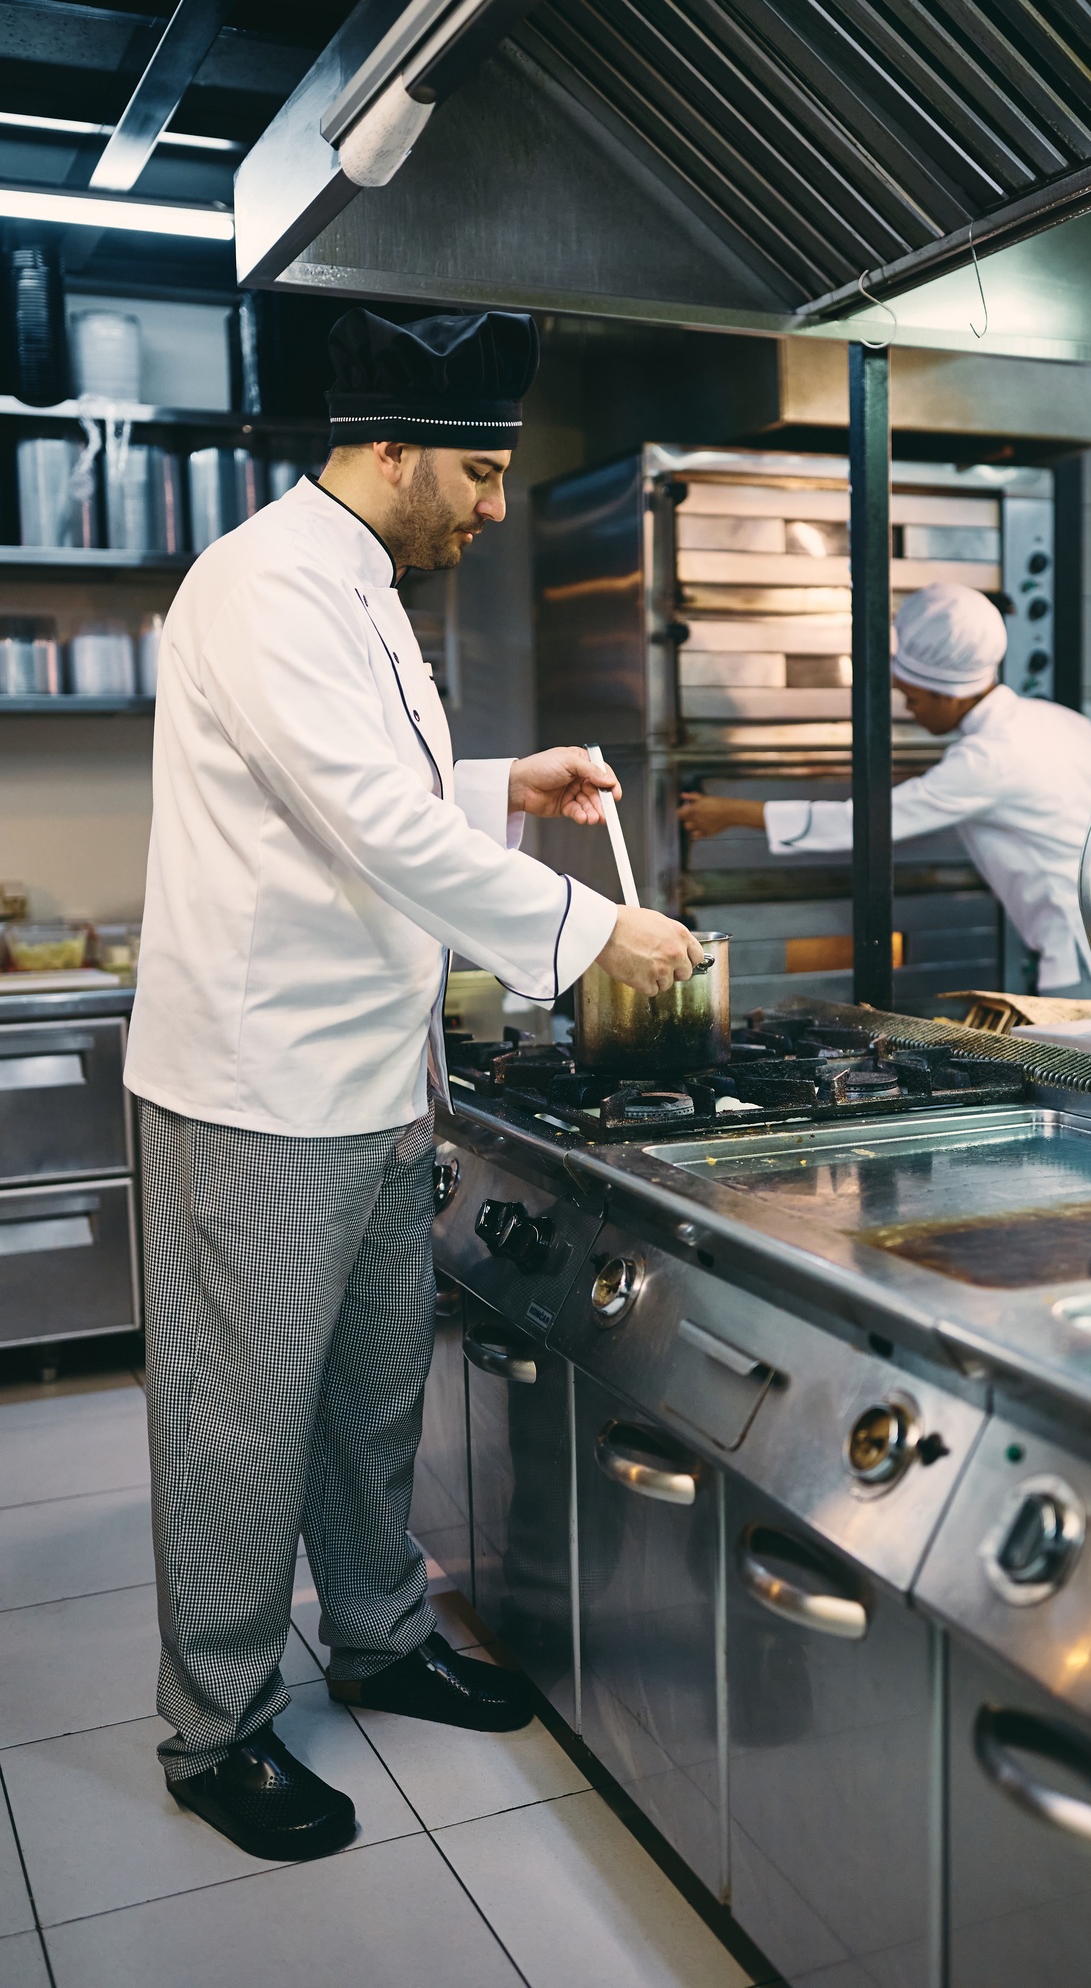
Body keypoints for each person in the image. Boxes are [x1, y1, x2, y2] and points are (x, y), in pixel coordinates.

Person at [123, 306, 704, 1864]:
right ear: (388, 452)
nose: (495, 504)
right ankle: (216, 1726)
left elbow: (372, 794)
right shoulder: (257, 584)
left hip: (374, 1077)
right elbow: (367, 826)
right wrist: (593, 933)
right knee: (240, 1418)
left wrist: (499, 784)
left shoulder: (361, 585)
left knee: (372, 1387)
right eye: (478, 472)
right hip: (255, 1082)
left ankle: (379, 1634)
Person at [679, 582, 1091, 995]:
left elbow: (865, 824)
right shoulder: (1063, 721)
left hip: (1076, 956)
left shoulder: (989, 759)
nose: (908, 710)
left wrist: (732, 812)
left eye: (912, 699)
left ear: (949, 695)